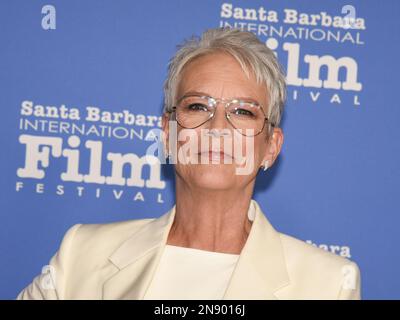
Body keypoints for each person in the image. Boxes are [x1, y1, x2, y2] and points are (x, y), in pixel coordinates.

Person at [17, 27, 361, 300]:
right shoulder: (82, 253)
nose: (217, 129)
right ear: (168, 133)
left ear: (270, 146)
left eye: (242, 112)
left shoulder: (328, 285)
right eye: (198, 106)